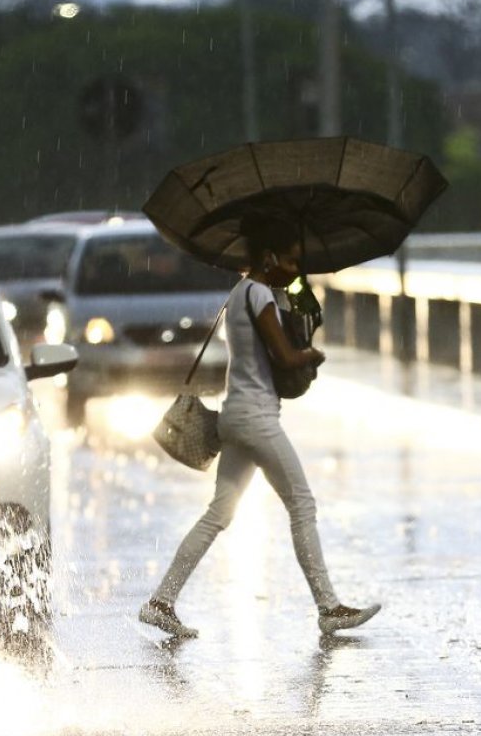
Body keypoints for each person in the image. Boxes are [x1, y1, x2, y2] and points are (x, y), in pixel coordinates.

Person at [139, 212, 381, 639]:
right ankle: (329, 607)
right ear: (269, 256)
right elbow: (285, 358)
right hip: (255, 419)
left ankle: (161, 601)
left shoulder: (238, 293)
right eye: (289, 260)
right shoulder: (261, 296)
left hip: (235, 416)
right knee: (302, 505)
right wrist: (311, 355)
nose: (294, 269)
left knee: (218, 514)